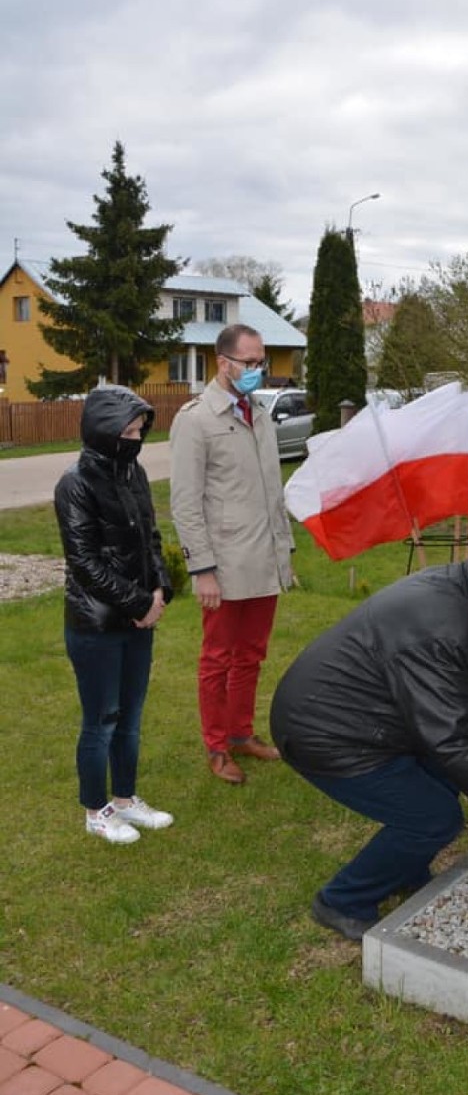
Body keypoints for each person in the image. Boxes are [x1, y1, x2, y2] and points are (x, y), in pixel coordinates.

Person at [270, 529, 468, 942]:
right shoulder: (443, 625)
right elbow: (452, 739)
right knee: (435, 817)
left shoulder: (466, 598)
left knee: (439, 786)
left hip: (371, 715)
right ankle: (342, 901)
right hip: (324, 731)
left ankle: (403, 868)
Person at [170, 324, 293, 785]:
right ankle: (217, 746)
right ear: (223, 363)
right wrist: (201, 568)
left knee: (251, 655)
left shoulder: (259, 413)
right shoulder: (196, 419)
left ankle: (242, 734)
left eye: (261, 362)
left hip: (263, 560)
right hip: (223, 565)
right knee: (218, 658)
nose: (257, 371)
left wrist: (285, 553)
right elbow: (185, 501)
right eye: (250, 363)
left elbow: (270, 491)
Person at [54, 385, 174, 844]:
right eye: (127, 430)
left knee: (131, 717)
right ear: (103, 430)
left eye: (139, 430)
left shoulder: (134, 473)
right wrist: (139, 603)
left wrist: (160, 587)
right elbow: (84, 562)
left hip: (137, 620)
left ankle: (125, 799)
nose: (135, 437)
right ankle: (95, 809)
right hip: (96, 624)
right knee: (101, 718)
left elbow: (151, 536)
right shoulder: (75, 484)